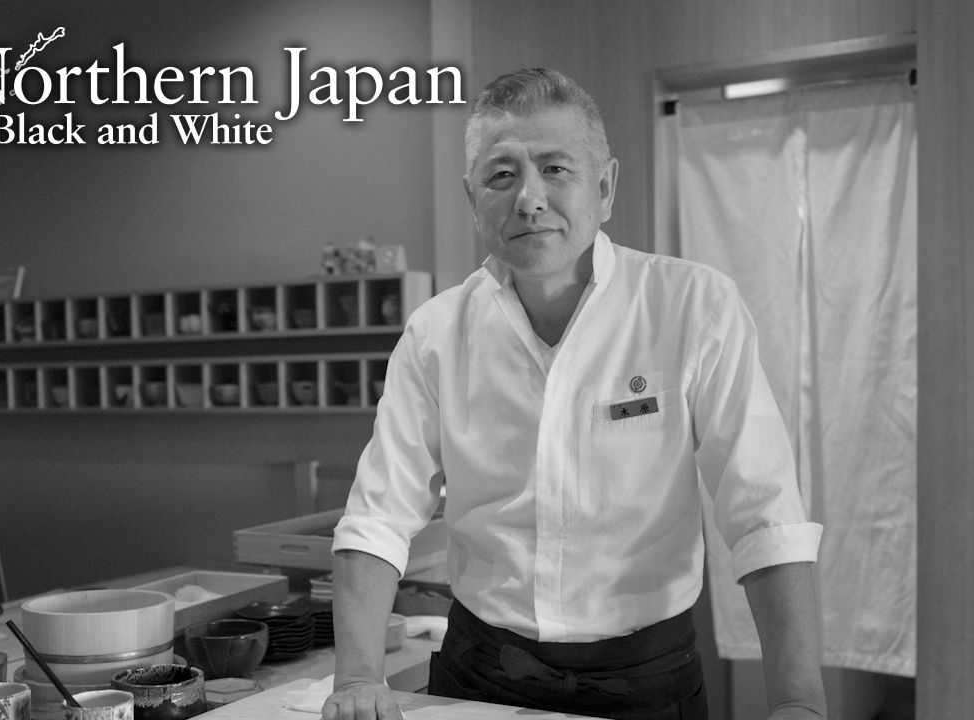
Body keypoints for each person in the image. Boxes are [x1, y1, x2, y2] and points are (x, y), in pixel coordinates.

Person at [323, 68, 826, 720]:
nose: (529, 198)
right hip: (481, 673)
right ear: (473, 199)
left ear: (605, 188)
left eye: (556, 169)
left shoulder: (693, 306)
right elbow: (378, 516)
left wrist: (799, 701)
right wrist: (357, 677)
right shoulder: (434, 335)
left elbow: (763, 514)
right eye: (501, 176)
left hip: (648, 681)